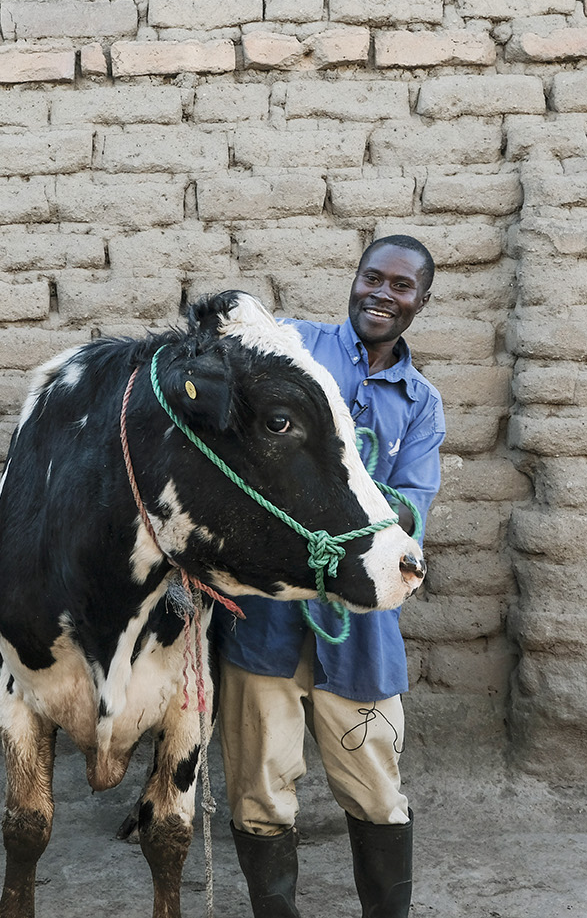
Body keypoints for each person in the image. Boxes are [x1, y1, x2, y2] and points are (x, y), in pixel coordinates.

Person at [215, 235, 445, 918]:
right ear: (353, 280)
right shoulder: (292, 351)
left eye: (400, 285)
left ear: (419, 302)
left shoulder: (420, 402)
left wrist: (347, 491)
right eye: (371, 276)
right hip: (265, 619)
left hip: (363, 628)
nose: (381, 292)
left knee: (376, 787)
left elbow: (412, 506)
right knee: (259, 789)